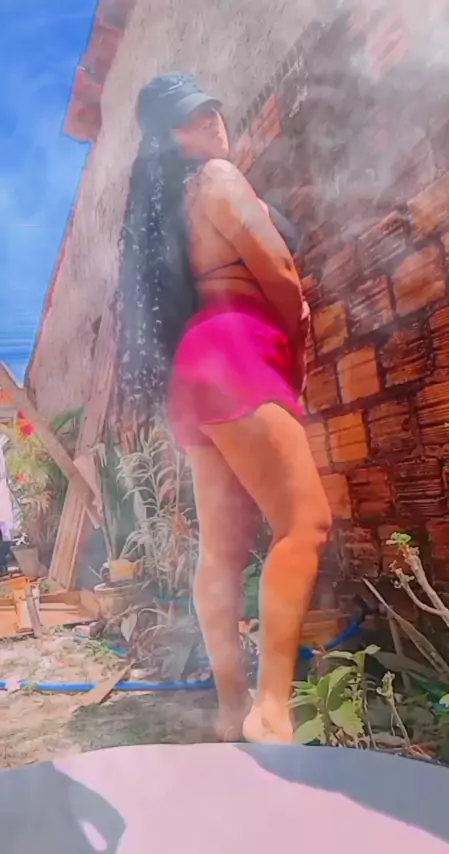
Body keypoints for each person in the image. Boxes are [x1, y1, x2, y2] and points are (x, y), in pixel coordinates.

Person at [116, 73, 332, 743]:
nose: (212, 119)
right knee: (305, 524)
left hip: (196, 371)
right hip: (241, 352)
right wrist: (297, 342)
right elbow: (279, 274)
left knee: (223, 552)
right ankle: (272, 709)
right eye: (191, 117)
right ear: (169, 139)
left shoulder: (166, 209)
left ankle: (230, 708)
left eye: (211, 107)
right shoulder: (215, 177)